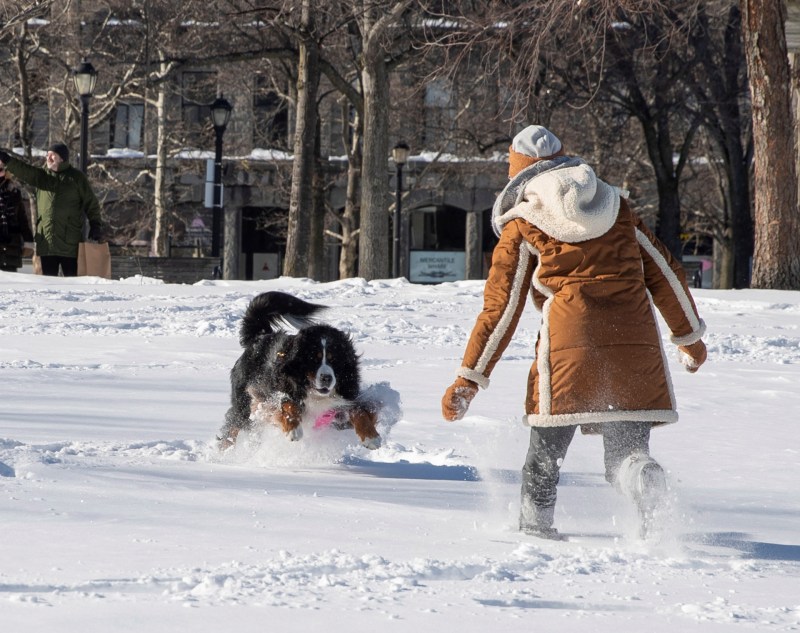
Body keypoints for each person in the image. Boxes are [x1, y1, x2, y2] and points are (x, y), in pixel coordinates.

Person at [441, 125, 707, 540]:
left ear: (518, 174)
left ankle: (535, 530)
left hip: (568, 349)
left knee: (544, 457)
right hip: (634, 342)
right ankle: (645, 490)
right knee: (625, 454)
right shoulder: (618, 209)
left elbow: (502, 308)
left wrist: (470, 376)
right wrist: (688, 336)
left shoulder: (524, 224)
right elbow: (665, 270)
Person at [0, 143, 102, 277]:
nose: (48, 158)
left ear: (62, 158)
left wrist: (95, 224)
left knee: (73, 285)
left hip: (70, 244)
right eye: (47, 155)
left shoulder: (76, 178)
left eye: (52, 155)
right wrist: (7, 160)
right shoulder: (42, 176)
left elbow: (91, 203)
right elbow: (24, 170)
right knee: (49, 287)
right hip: (47, 244)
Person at [0, 164, 34, 272]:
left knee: (11, 286)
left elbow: (22, 220)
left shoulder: (14, 193)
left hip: (11, 246)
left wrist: (29, 242)